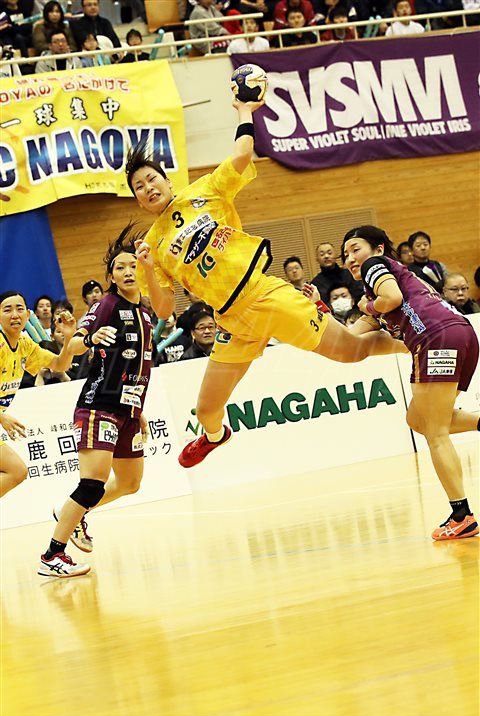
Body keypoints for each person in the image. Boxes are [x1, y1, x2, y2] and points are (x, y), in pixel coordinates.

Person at [127, 96, 406, 471]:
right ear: (138, 200)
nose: (147, 187)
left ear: (166, 180)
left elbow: (243, 155)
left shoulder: (203, 191)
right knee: (207, 411)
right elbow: (163, 309)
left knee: (350, 352)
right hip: (231, 321)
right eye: (138, 187)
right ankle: (215, 436)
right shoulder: (153, 246)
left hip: (264, 295)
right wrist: (147, 267)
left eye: (151, 179)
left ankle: (415, 343)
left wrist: (244, 110)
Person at [341, 225, 479, 540]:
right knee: (418, 419)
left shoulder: (376, 266)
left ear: (378, 249)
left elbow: (391, 298)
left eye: (355, 249)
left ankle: (462, 516)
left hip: (436, 337)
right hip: (461, 334)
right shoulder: (382, 285)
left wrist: (367, 306)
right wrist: (319, 313)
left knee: (435, 431)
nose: (350, 258)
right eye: (345, 254)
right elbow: (349, 340)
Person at [38, 226, 153, 578]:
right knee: (92, 483)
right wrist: (88, 339)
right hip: (98, 406)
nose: (128, 271)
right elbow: (74, 345)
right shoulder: (106, 305)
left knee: (130, 483)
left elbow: (136, 365)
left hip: (128, 410)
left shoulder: (145, 312)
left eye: (132, 265)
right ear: (111, 276)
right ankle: (52, 555)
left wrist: (138, 409)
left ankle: (71, 512)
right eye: (120, 267)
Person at [0, 290, 76, 498]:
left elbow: (60, 364)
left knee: (17, 471)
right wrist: (2, 417)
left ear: (27, 315)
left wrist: (69, 338)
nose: (14, 315)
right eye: (7, 310)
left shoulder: (25, 345)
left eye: (19, 309)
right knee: (16, 471)